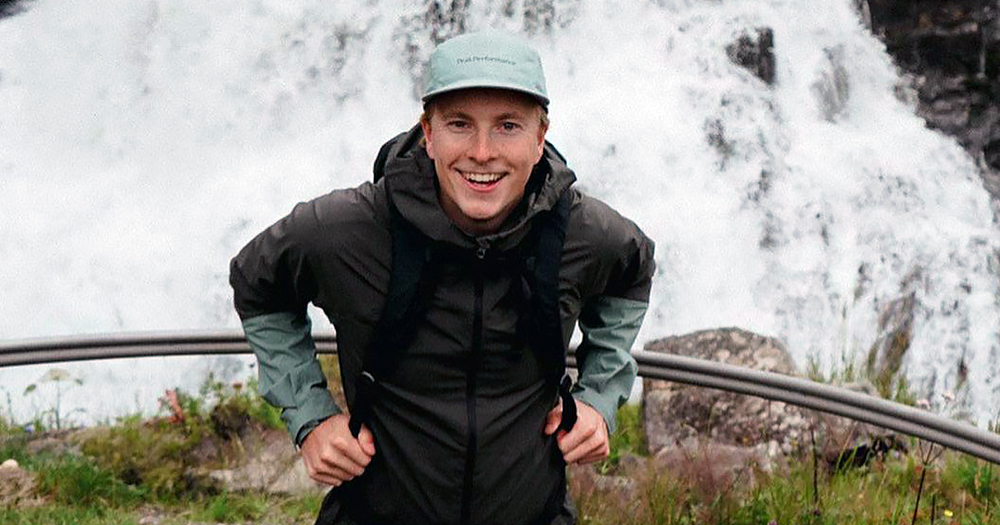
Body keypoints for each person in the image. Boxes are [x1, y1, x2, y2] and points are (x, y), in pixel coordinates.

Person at [230, 30, 655, 525]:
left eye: (508, 127)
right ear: (427, 134)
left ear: (540, 139)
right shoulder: (349, 230)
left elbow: (633, 270)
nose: (481, 152)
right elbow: (257, 280)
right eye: (459, 124)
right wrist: (311, 417)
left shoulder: (584, 232)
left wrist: (600, 398)